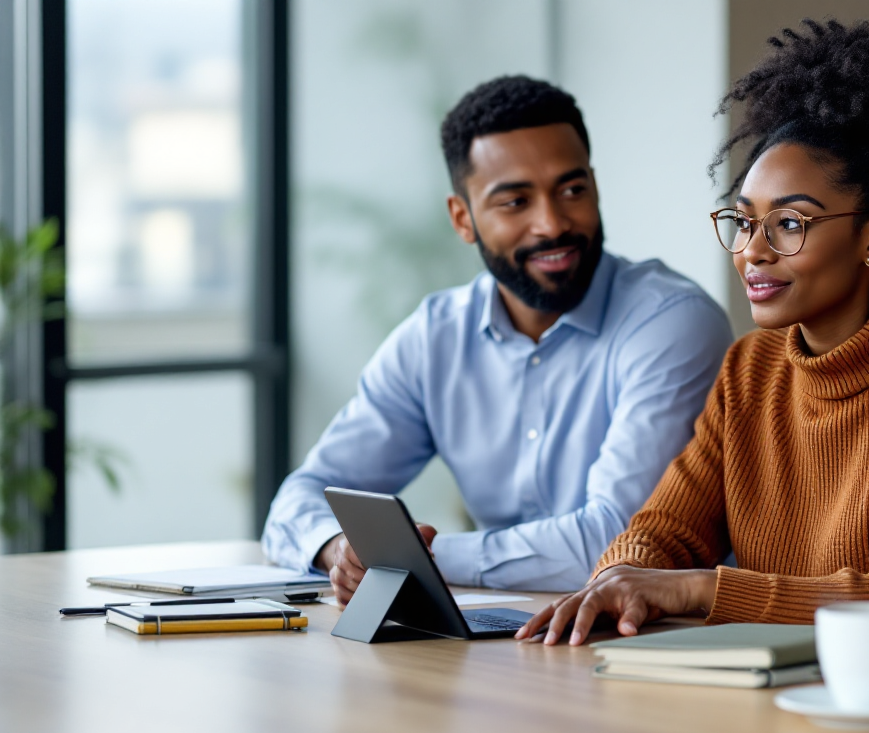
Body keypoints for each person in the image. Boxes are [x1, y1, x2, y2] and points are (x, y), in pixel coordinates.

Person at [518, 19, 869, 646]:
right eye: (744, 221)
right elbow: (666, 529)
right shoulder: (749, 368)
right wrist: (619, 576)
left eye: (790, 224)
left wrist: (700, 587)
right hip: (777, 681)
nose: (753, 251)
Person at [262, 76, 733, 597]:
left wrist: (409, 556)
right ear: (463, 218)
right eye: (515, 202)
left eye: (572, 190)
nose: (552, 224)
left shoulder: (670, 322)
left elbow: (616, 542)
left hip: (653, 638)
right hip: (508, 635)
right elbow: (297, 503)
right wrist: (340, 551)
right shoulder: (434, 338)